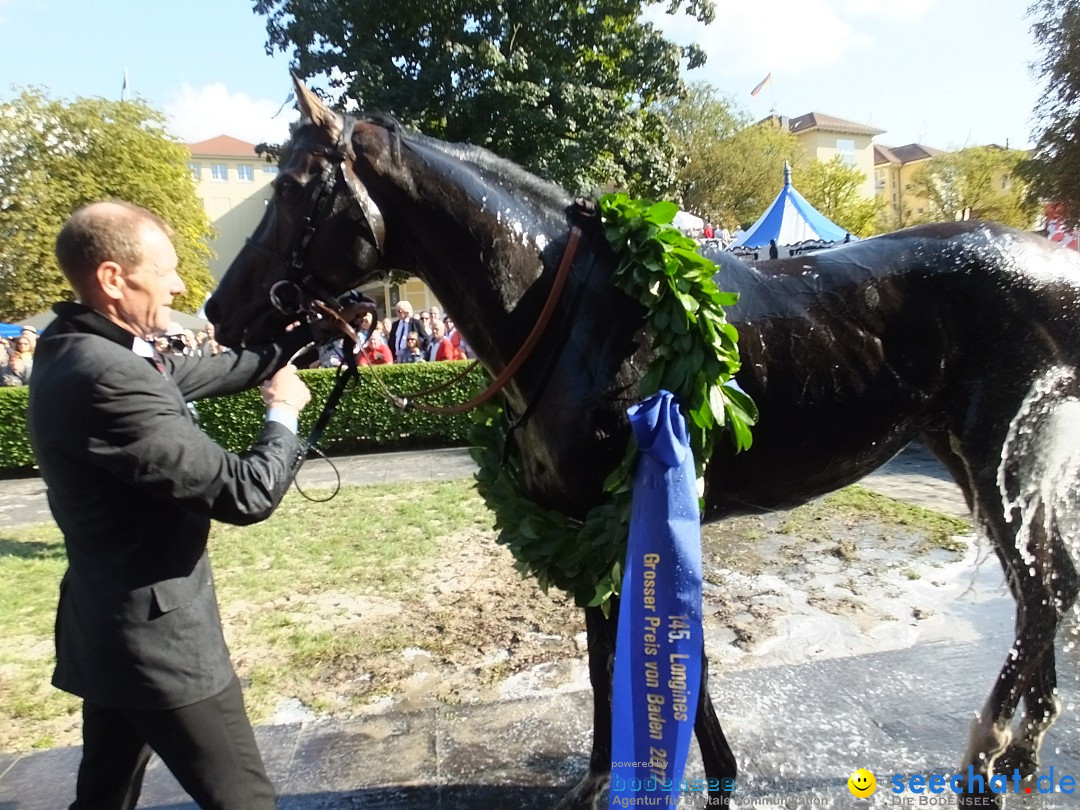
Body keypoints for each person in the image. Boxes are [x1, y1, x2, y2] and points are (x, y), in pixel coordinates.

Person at [28, 200, 327, 810]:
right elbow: (246, 493)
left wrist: (302, 343)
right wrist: (283, 412)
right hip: (160, 643)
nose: (180, 284)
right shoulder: (107, 377)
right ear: (114, 279)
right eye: (165, 270)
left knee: (103, 798)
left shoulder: (75, 342)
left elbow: (193, 372)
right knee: (245, 800)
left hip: (107, 627)